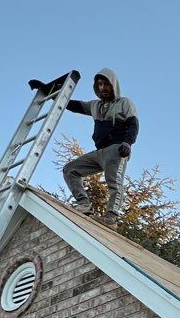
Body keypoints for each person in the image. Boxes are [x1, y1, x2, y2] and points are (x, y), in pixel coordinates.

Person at [31, 69, 138, 228]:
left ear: (113, 85)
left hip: (116, 149)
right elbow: (72, 105)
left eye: (106, 84)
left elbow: (133, 124)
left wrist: (128, 142)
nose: (103, 88)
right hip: (99, 151)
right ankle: (84, 204)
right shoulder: (95, 105)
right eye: (99, 85)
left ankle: (111, 216)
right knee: (70, 169)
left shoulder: (125, 102)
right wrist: (47, 90)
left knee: (113, 181)